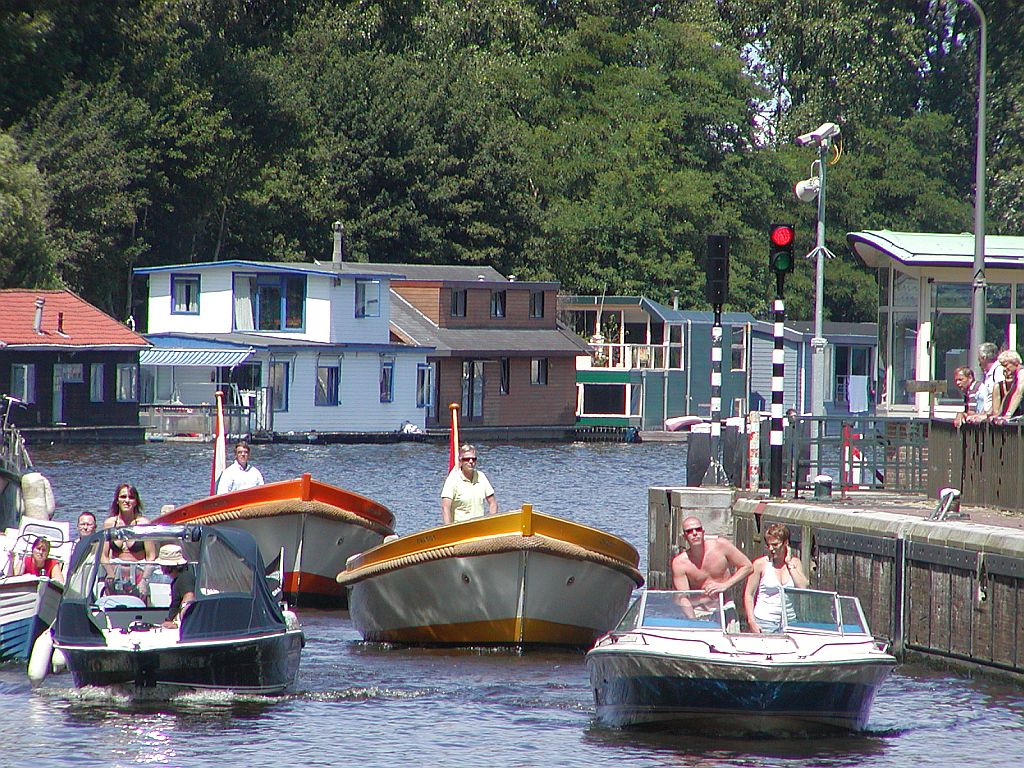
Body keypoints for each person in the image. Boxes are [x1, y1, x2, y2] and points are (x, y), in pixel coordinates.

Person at [743, 522, 809, 634]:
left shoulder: (795, 563)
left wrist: (789, 563)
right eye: (768, 545)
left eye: (775, 545)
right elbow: (749, 594)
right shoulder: (760, 564)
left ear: (786, 543)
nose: (771, 549)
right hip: (765, 621)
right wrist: (751, 621)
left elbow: (803, 586)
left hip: (789, 621)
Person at [670, 516, 752, 597]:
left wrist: (725, 585)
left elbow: (748, 566)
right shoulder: (680, 563)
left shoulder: (721, 545)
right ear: (684, 536)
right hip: (699, 606)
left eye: (698, 529)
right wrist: (700, 603)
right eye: (689, 531)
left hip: (724, 603)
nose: (694, 533)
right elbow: (683, 598)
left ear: (703, 532)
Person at [440, 444, 498, 524]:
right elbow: (445, 507)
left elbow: (493, 503)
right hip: (460, 529)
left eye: (473, 459)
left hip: (480, 528)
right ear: (460, 461)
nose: (471, 462)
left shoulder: (481, 476)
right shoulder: (452, 480)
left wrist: (491, 522)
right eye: (467, 459)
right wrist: (448, 529)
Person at [155, 544, 196, 629]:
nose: (161, 567)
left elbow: (189, 600)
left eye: (162, 565)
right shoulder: (179, 579)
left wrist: (177, 623)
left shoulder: (185, 578)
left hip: (179, 629)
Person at [992, 350, 1024, 423]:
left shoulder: (1021, 373)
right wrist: (999, 415)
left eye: (1006, 365)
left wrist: (1008, 415)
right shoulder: (1016, 376)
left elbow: (1018, 393)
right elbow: (1008, 396)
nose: (1004, 369)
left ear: (1015, 362)